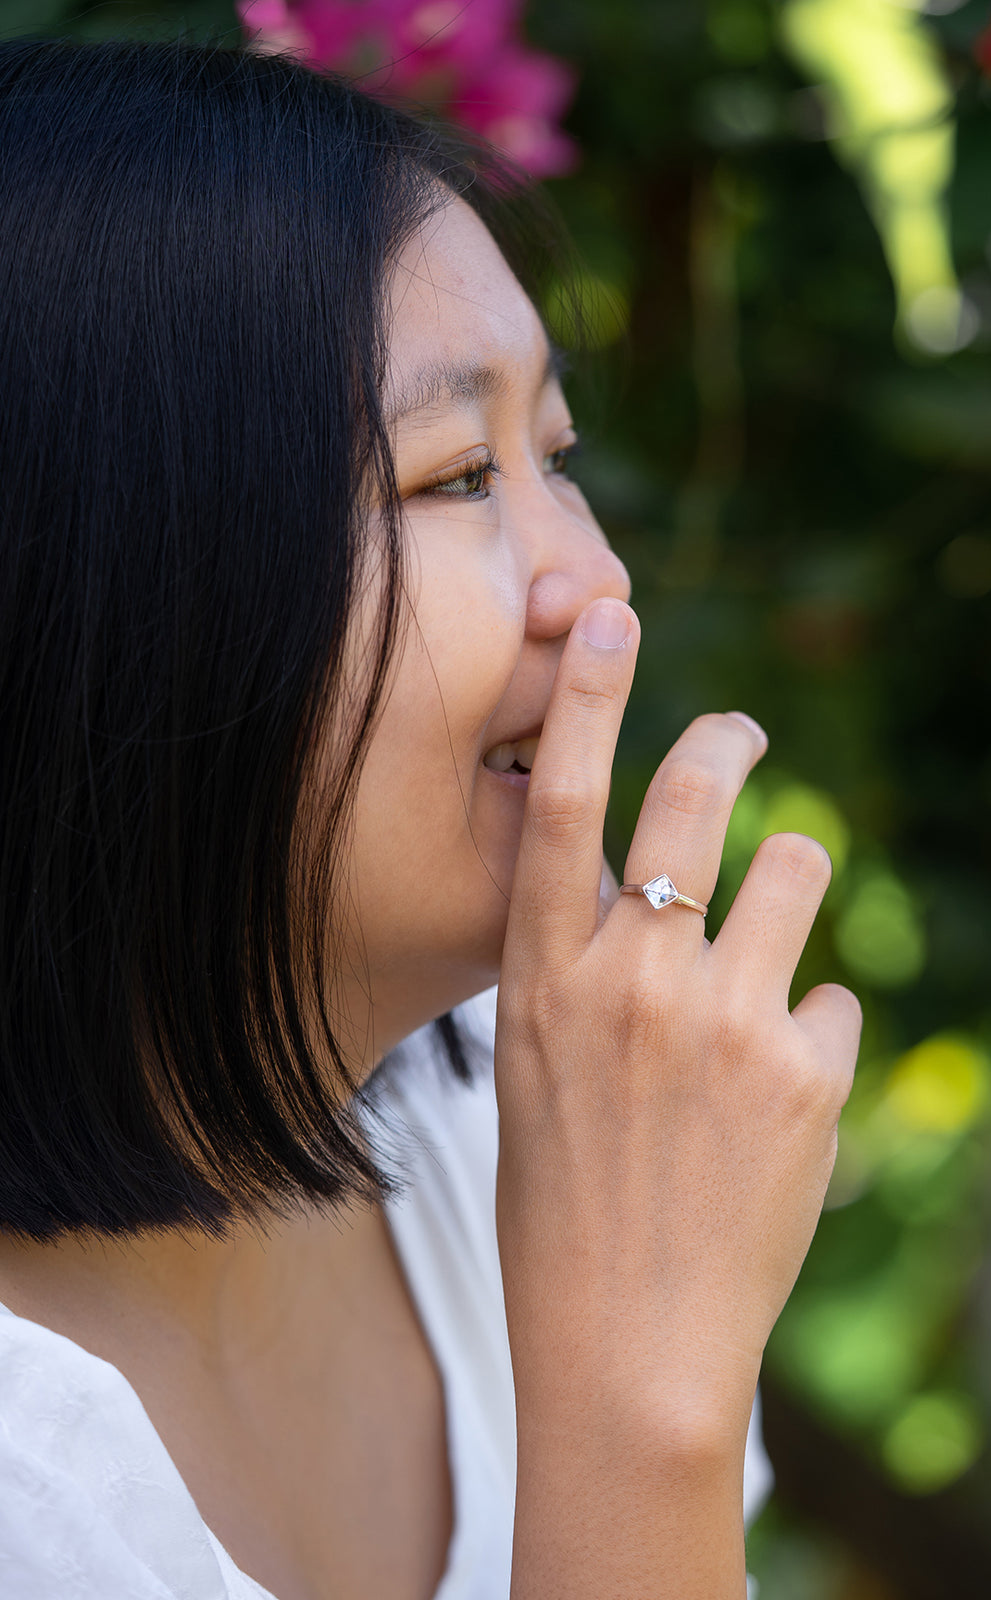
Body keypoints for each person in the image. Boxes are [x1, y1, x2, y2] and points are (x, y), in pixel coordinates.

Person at [0, 35, 861, 1600]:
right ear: (116, 598)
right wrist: (636, 1408)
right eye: (461, 474)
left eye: (556, 458)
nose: (593, 580)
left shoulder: (512, 1123)